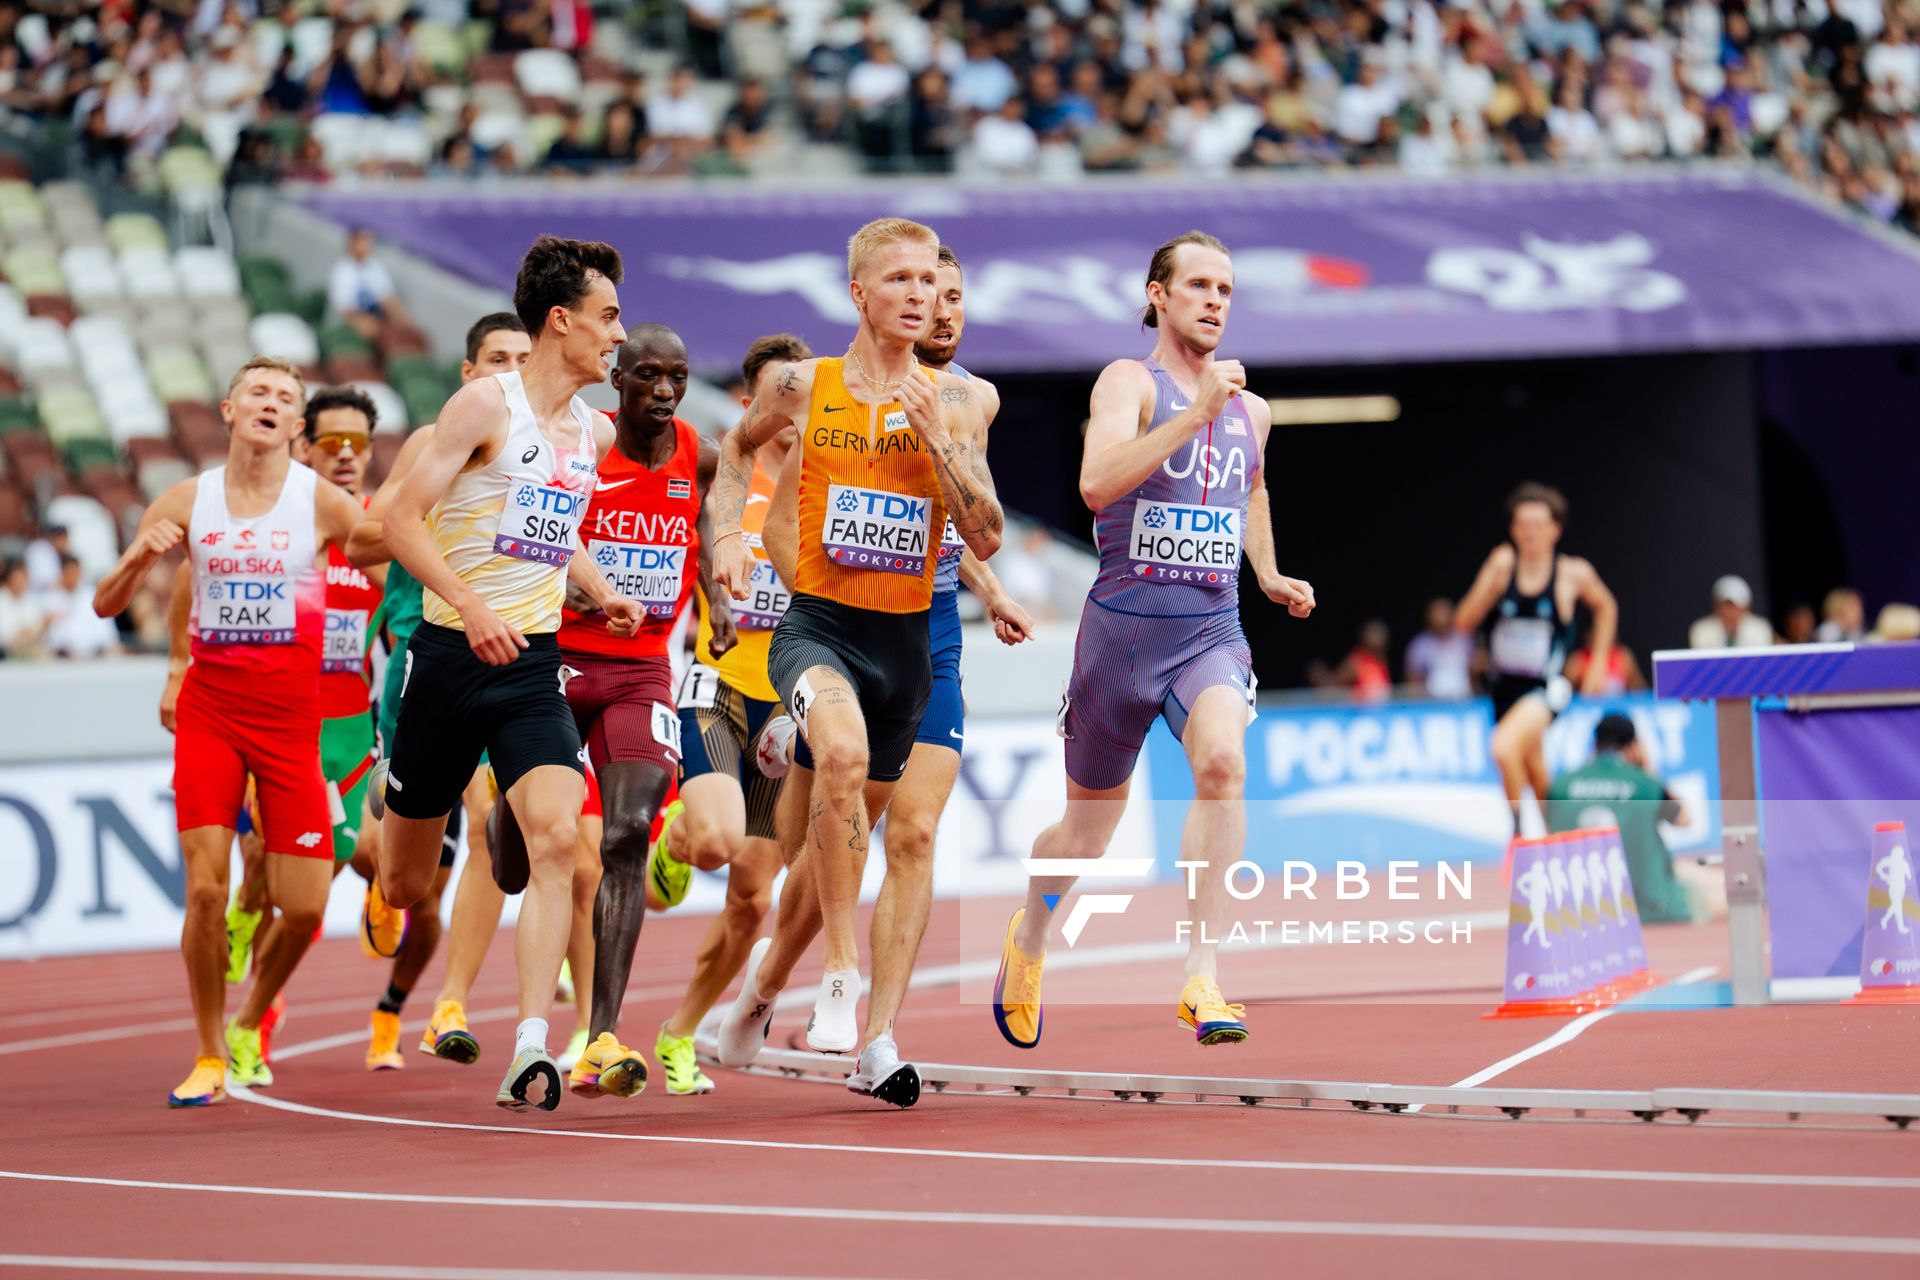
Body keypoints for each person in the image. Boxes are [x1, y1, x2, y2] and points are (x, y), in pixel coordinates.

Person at [990, 230, 1316, 1053]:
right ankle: (1030, 933)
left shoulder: (1255, 412)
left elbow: (1253, 490)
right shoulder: (1128, 382)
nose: (1215, 300)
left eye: (1226, 289)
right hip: (1120, 636)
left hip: (1210, 626)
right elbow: (1097, 484)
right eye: (1198, 285)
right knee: (1087, 835)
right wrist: (1194, 415)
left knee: (1222, 764)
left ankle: (1202, 974)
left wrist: (1268, 573)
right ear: (1159, 295)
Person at [711, 217, 1003, 1105]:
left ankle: (765, 994)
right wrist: (729, 532)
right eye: (903, 280)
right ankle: (842, 976)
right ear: (860, 293)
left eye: (932, 281)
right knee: (836, 760)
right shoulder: (804, 386)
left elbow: (986, 529)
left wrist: (939, 441)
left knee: (870, 829)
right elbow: (734, 450)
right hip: (818, 627)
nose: (921, 296)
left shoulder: (964, 402)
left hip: (908, 645)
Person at [368, 236, 640, 1111]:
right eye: (607, 318)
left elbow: (558, 534)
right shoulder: (483, 408)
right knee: (408, 884)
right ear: (561, 322)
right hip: (447, 661)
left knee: (562, 838)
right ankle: (387, 832)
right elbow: (399, 518)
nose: (619, 336)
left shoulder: (589, 432)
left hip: (531, 666)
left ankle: (532, 1047)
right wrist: (467, 604)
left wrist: (599, 591)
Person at [92, 356, 363, 1107]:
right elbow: (106, 603)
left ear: (297, 425)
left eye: (285, 397)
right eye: (259, 393)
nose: (270, 403)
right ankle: (210, 1052)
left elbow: (390, 558)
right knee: (206, 892)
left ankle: (250, 1019)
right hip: (213, 715)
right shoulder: (188, 498)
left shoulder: (320, 504)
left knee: (304, 906)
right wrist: (141, 559)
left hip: (290, 723)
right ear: (230, 409)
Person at [517, 322, 717, 1100]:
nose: (664, 392)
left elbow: (718, 504)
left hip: (641, 671)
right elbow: (535, 534)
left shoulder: (696, 449)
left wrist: (719, 571)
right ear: (617, 381)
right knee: (531, 846)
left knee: (629, 833)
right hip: (559, 661)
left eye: (677, 376)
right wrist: (581, 587)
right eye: (647, 378)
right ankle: (509, 808)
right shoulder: (585, 447)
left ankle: (602, 1030)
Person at [350, 313, 534, 1067]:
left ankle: (449, 1003)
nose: (510, 371)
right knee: (407, 882)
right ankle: (381, 882)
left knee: (499, 815)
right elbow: (367, 537)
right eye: (496, 359)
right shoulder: (439, 441)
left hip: (510, 655)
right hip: (421, 658)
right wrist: (438, 508)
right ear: (467, 372)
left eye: (522, 359)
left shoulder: (549, 443)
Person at [643, 334, 809, 1097]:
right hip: (718, 686)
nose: (793, 411)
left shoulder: (830, 490)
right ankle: (678, 839)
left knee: (752, 897)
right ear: (750, 404)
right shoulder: (719, 477)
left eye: (805, 396)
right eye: (780, 395)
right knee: (714, 843)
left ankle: (680, 1030)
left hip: (792, 708)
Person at [1453, 483, 1618, 839]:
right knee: (1535, 770)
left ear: (1556, 529)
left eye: (1539, 524)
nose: (1530, 532)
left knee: (1503, 748)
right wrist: (1489, 583)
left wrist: (1599, 661)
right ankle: (1558, 839)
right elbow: (1463, 622)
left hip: (1548, 686)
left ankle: (1518, 839)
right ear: (1512, 529)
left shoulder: (1572, 573)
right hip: (1504, 687)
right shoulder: (1501, 567)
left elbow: (1606, 607)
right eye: (1523, 524)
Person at [1546, 713, 1720, 924]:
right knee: (1718, 888)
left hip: (1577, 906)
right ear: (1633, 747)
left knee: (1686, 870)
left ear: (1595, 745)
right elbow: (1684, 820)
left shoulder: (1561, 786)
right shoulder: (1644, 783)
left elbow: (1551, 828)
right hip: (1647, 906)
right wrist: (1648, 770)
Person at [329, 226, 411, 342]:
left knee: (398, 318)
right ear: (352, 243)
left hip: (375, 314)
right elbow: (345, 309)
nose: (367, 245)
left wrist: (398, 318)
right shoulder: (342, 270)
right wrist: (367, 319)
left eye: (368, 241)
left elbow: (388, 296)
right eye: (362, 241)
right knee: (369, 327)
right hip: (352, 318)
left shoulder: (375, 265)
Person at [1404, 597, 1477, 699]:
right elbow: (1413, 678)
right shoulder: (1421, 645)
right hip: (1433, 704)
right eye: (1438, 612)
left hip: (1463, 701)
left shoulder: (1463, 640)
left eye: (1444, 611)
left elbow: (1474, 671)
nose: (1441, 617)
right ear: (1428, 617)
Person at [1686, 574, 1773, 649]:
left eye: (1735, 606)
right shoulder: (1701, 629)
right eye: (1726, 605)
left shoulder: (1760, 628)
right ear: (1716, 605)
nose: (1730, 611)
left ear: (1746, 607)